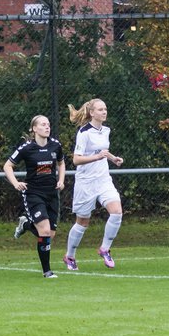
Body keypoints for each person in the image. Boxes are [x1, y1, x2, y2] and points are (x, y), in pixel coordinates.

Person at [63, 99, 124, 271]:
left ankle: (105, 249)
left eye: (105, 109)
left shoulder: (106, 130)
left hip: (104, 180)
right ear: (92, 113)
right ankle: (69, 256)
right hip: (86, 183)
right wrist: (97, 157)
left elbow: (102, 151)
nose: (104, 112)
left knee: (117, 212)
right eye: (100, 109)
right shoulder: (84, 133)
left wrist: (113, 158)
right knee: (82, 222)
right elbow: (76, 159)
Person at [4, 115, 67, 278]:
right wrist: (15, 183)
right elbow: (8, 165)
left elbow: (61, 163)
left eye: (48, 124)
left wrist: (61, 180)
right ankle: (47, 272)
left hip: (52, 193)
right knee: (45, 231)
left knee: (49, 234)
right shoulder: (27, 148)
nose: (47, 127)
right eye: (43, 124)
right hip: (34, 194)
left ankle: (25, 225)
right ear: (34, 129)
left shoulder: (55, 145)